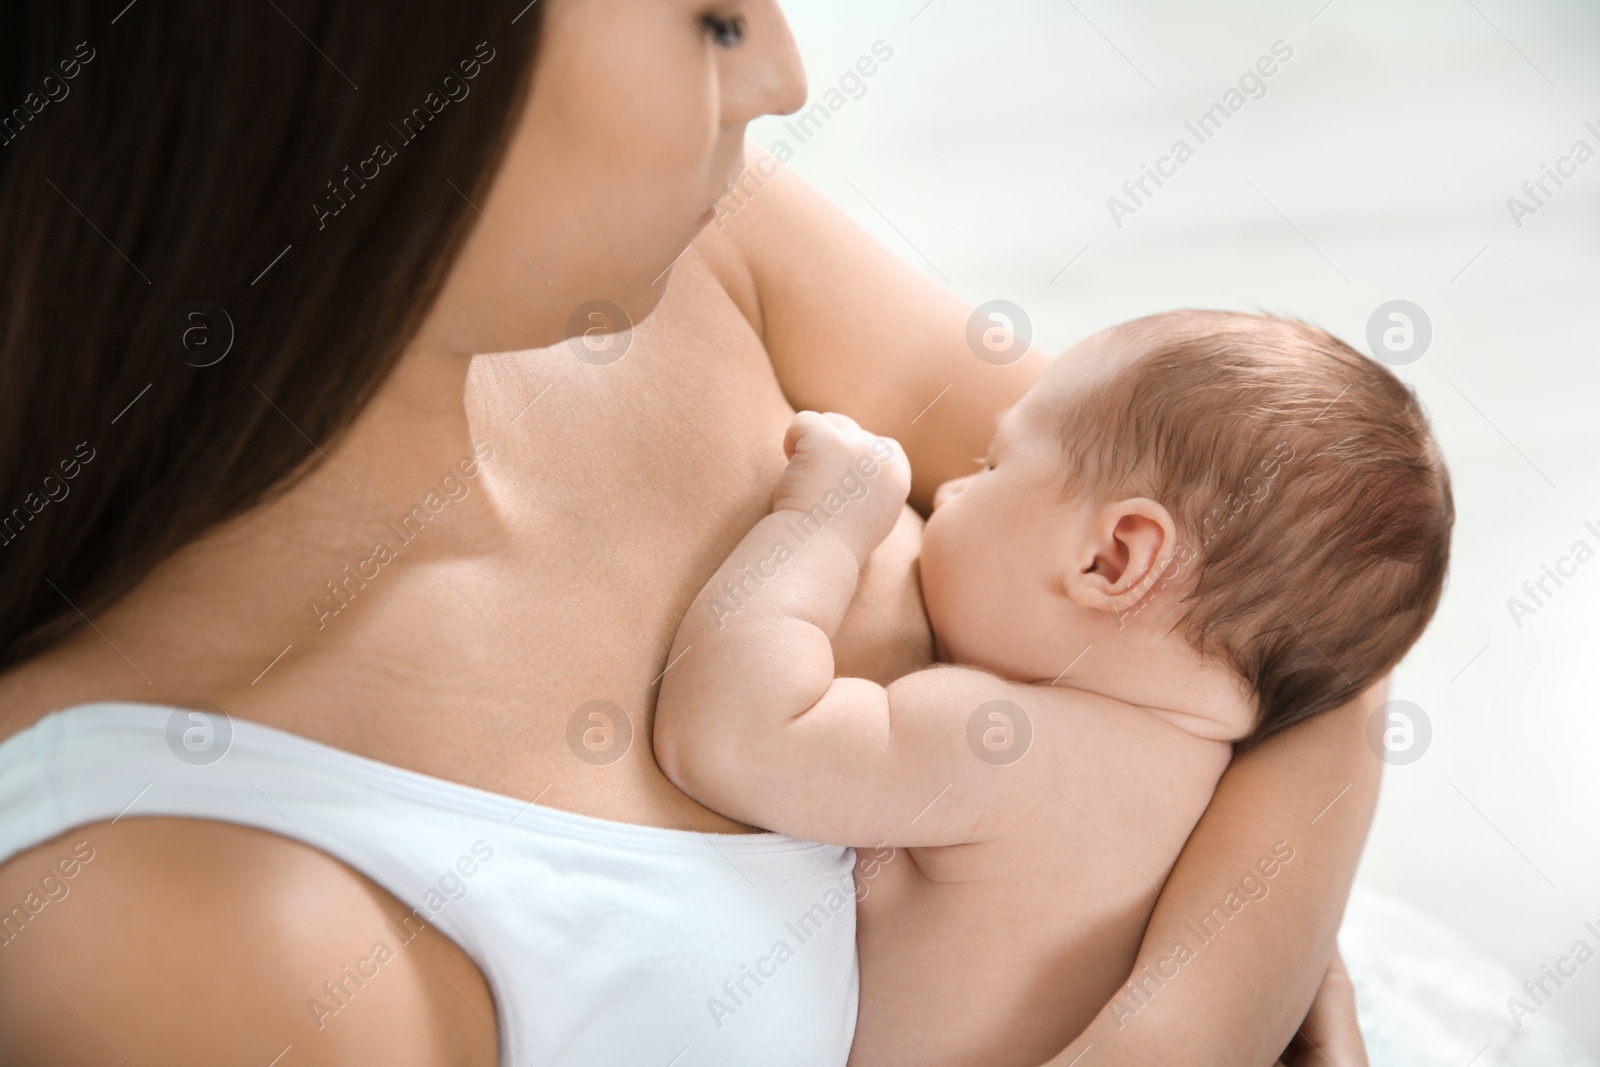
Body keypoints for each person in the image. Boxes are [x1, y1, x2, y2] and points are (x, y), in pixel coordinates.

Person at [0, 2, 1378, 1064]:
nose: (783, 69)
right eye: (708, 16)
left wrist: (1192, 1004)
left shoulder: (704, 245)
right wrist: (1251, 929)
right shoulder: (176, 906)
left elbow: (1291, 565)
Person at [656, 311, 1453, 1065]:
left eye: (993, 464)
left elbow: (729, 738)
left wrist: (823, 523)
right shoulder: (1216, 793)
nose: (953, 493)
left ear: (1111, 560)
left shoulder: (1000, 743)